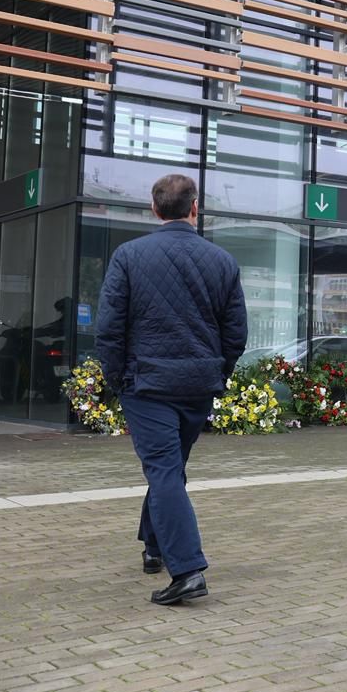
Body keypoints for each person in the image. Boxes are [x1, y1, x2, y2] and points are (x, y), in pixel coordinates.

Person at [96, 174, 246, 605]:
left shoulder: (128, 255)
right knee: (170, 468)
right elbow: (235, 333)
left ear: (155, 209)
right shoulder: (222, 261)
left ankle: (187, 570)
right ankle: (154, 546)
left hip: (149, 384)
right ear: (195, 208)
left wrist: (116, 379)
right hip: (197, 384)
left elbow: (109, 329)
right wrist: (217, 371)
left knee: (163, 471)